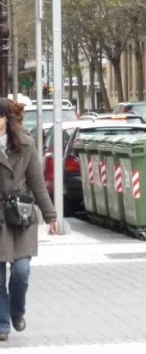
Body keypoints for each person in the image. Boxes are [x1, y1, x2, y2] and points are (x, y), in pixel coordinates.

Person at [0, 98, 57, 342]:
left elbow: (37, 181)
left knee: (21, 272)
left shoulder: (26, 143)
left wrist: (50, 214)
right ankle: (3, 324)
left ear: (5, 118)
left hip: (21, 216)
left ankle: (17, 310)